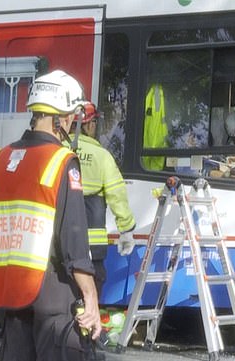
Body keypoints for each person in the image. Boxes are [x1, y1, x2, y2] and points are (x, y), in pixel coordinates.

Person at [0, 70, 102, 361]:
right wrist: (90, 297)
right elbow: (73, 238)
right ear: (62, 117)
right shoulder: (61, 162)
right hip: (51, 294)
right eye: (71, 115)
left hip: (10, 294)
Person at [72, 101, 137, 298]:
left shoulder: (56, 152)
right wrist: (126, 230)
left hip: (59, 248)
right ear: (90, 125)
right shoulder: (101, 156)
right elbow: (117, 195)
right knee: (90, 300)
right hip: (92, 251)